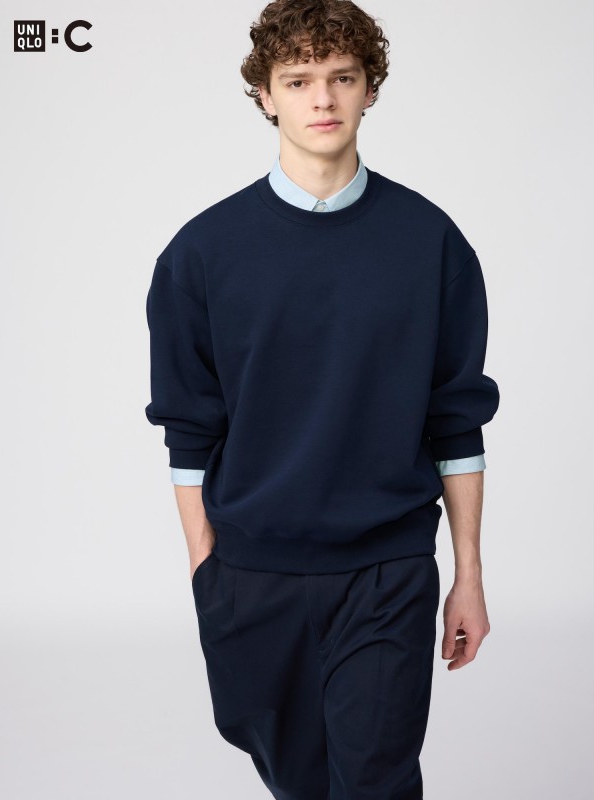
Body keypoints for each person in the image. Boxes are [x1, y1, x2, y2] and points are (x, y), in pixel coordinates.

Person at [144, 1, 500, 797]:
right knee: (301, 784)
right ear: (265, 94)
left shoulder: (430, 243)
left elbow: (457, 422)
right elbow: (189, 430)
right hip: (251, 577)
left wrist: (468, 575)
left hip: (385, 569)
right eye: (299, 79)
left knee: (373, 781)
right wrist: (206, 574)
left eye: (342, 77)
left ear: (370, 88)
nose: (323, 99)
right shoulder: (201, 254)